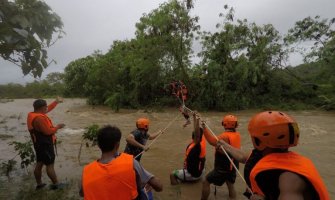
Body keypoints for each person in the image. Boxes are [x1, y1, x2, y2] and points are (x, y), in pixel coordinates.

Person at [219, 111, 330, 200]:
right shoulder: (264, 155)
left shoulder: (290, 178)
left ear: (258, 140)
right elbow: (244, 157)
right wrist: (225, 145)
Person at [80, 125, 163, 200]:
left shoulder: (87, 170)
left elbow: (82, 193)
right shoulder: (130, 162)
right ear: (117, 145)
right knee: (144, 190)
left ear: (98, 145)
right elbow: (159, 187)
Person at [27, 97, 66, 190]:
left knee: (39, 163)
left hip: (38, 144)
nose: (46, 108)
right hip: (45, 145)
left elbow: (48, 108)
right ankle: (56, 185)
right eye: (45, 107)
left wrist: (56, 102)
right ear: (42, 107)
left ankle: (39, 184)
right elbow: (48, 132)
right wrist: (58, 127)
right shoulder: (39, 118)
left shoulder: (33, 114)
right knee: (50, 165)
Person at [201, 114, 241, 200]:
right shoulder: (237, 135)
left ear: (224, 124)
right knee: (230, 185)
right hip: (233, 164)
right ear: (235, 124)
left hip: (224, 167)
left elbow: (212, 141)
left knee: (206, 181)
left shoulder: (224, 136)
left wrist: (204, 128)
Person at [170, 112, 206, 184]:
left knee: (172, 174)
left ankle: (176, 192)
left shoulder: (197, 145)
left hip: (193, 174)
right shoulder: (203, 141)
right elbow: (197, 130)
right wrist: (194, 117)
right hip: (201, 171)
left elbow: (197, 133)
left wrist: (198, 120)